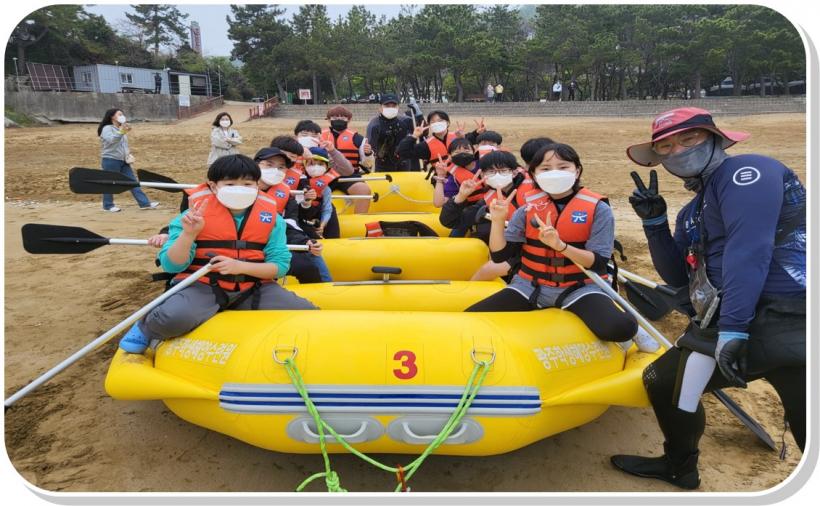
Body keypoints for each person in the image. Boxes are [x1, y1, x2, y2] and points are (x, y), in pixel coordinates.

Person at [611, 107, 806, 489]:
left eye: (689, 139)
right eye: (666, 147)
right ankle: (680, 466)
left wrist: (734, 329)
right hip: (726, 319)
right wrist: (654, 223)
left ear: (716, 139)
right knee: (664, 382)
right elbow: (675, 275)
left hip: (789, 316)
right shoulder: (691, 212)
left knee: (806, 416)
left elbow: (750, 248)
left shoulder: (747, 171)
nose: (678, 151)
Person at [464, 143, 657, 353]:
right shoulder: (527, 209)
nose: (554, 173)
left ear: (577, 170)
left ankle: (625, 318)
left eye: (563, 167)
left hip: (580, 288)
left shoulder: (598, 209)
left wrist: (561, 247)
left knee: (621, 328)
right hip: (529, 286)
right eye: (546, 168)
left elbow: (599, 263)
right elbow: (500, 255)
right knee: (471, 320)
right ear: (534, 174)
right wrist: (498, 221)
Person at [118, 154, 317, 354]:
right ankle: (146, 325)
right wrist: (189, 234)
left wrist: (240, 266)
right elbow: (172, 265)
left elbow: (280, 266)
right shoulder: (190, 217)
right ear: (213, 186)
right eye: (230, 184)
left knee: (308, 315)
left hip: (254, 287)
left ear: (257, 185)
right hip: (203, 286)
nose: (239, 189)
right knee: (173, 319)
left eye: (248, 184)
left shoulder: (273, 219)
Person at [254, 147, 332, 282]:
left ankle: (326, 287)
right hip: (246, 249)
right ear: (255, 164)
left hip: (274, 246)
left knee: (309, 264)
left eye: (281, 167)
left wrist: (305, 242)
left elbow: (290, 225)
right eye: (269, 165)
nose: (275, 170)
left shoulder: (286, 196)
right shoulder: (240, 190)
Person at [97, 108, 159, 212]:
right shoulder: (107, 128)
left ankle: (144, 203)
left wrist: (127, 155)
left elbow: (123, 145)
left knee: (132, 182)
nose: (122, 116)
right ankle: (107, 206)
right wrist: (122, 131)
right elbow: (111, 141)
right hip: (111, 160)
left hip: (123, 160)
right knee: (109, 183)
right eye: (119, 114)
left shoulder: (120, 129)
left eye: (122, 114)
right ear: (112, 117)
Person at [320, 107, 374, 212]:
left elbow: (367, 164)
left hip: (349, 176)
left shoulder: (358, 139)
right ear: (329, 119)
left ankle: (360, 218)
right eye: (335, 117)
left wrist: (368, 154)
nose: (339, 119)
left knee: (364, 190)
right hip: (324, 175)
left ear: (349, 119)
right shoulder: (320, 136)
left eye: (342, 117)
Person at [397, 110, 483, 171]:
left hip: (463, 176)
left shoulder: (459, 136)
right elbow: (402, 152)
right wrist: (414, 136)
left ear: (447, 123)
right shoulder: (426, 145)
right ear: (429, 125)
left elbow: (475, 138)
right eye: (433, 122)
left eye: (440, 120)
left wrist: (478, 132)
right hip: (442, 179)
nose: (437, 123)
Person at [366, 94, 418, 171]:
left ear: (398, 107)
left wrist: (419, 115)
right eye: (387, 106)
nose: (391, 108)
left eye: (394, 106)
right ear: (380, 108)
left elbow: (421, 136)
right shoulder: (374, 125)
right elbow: (370, 149)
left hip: (404, 165)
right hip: (383, 166)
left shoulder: (406, 121)